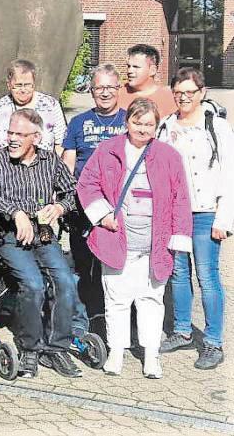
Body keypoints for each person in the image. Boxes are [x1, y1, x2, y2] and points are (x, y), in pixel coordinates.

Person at [77, 98, 191, 379]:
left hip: (155, 242)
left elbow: (180, 199)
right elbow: (87, 183)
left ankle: (151, 355)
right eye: (137, 122)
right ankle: (116, 351)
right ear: (127, 123)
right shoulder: (108, 150)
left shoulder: (169, 156)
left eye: (148, 124)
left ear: (156, 126)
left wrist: (179, 236)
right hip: (117, 238)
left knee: (151, 299)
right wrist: (102, 214)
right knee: (116, 298)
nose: (142, 129)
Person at [0, 108, 81, 378]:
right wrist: (15, 212)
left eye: (19, 134)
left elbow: (72, 192)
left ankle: (57, 348)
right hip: (8, 235)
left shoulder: (50, 161)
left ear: (35, 137)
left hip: (43, 232)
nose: (12, 138)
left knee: (65, 281)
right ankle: (30, 348)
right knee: (33, 284)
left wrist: (59, 208)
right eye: (10, 132)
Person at [157, 67, 232, 370]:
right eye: (178, 92)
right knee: (178, 274)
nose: (184, 97)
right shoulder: (165, 126)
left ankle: (213, 342)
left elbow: (229, 174)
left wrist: (223, 218)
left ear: (202, 92)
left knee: (207, 276)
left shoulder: (217, 126)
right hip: (176, 214)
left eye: (190, 91)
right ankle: (182, 331)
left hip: (206, 213)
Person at [62, 64, 127, 330]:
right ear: (91, 91)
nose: (104, 93)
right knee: (83, 262)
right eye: (99, 87)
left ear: (118, 89)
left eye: (110, 87)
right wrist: (65, 199)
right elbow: (67, 163)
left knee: (114, 265)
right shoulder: (78, 122)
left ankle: (117, 319)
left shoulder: (128, 120)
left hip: (118, 205)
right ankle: (86, 318)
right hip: (84, 204)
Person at [0, 59, 67, 154]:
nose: (23, 90)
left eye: (28, 85)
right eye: (18, 85)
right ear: (9, 85)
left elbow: (60, 143)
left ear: (34, 84)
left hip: (44, 165)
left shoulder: (51, 105)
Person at [117, 44, 176, 117]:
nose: (130, 71)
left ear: (152, 70)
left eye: (136, 67)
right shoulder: (117, 94)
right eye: (129, 66)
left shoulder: (170, 98)